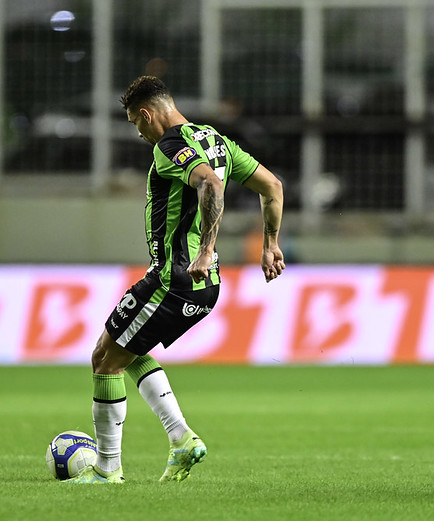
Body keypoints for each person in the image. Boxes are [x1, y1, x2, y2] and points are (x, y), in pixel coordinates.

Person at [66, 76, 285, 484]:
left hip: (175, 280)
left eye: (136, 123)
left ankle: (107, 470)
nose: (139, 133)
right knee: (124, 349)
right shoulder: (217, 140)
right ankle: (181, 438)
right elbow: (271, 186)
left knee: (105, 360)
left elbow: (210, 183)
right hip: (205, 285)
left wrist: (204, 248)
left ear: (147, 114)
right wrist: (270, 243)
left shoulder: (169, 146)